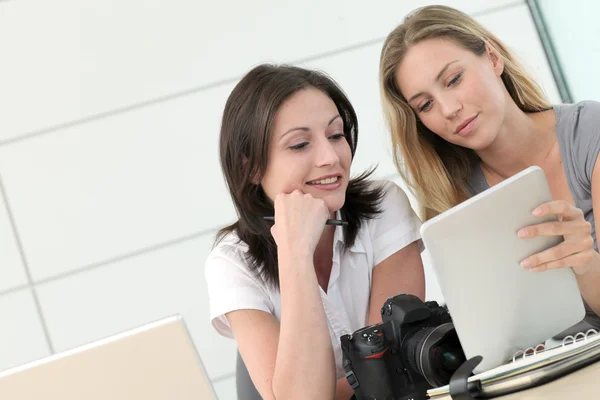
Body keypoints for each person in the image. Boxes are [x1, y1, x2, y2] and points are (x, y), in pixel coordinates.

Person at [205, 64, 425, 400]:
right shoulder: (232, 262)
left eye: (336, 135)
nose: (330, 157)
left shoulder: (384, 206)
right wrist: (295, 253)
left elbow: (389, 372)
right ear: (250, 167)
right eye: (299, 144)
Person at [378, 5, 600, 325]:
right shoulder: (453, 198)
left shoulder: (590, 132)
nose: (449, 109)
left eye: (454, 79)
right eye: (425, 105)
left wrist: (586, 263)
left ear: (493, 58)